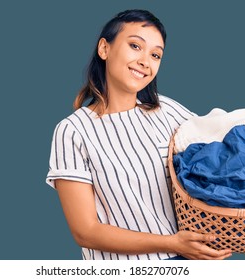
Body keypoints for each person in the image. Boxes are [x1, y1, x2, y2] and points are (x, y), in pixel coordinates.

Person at [45, 9, 235, 260]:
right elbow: (85, 231)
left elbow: (223, 151)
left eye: (156, 55)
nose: (146, 61)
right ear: (104, 49)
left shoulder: (168, 111)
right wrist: (172, 244)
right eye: (135, 46)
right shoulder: (73, 131)